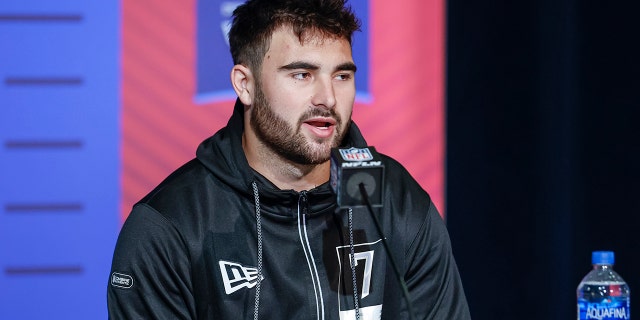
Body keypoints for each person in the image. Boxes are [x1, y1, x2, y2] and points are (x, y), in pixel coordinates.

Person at [107, 0, 471, 319]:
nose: (327, 97)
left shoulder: (396, 199)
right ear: (245, 84)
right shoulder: (170, 225)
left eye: (341, 75)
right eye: (302, 74)